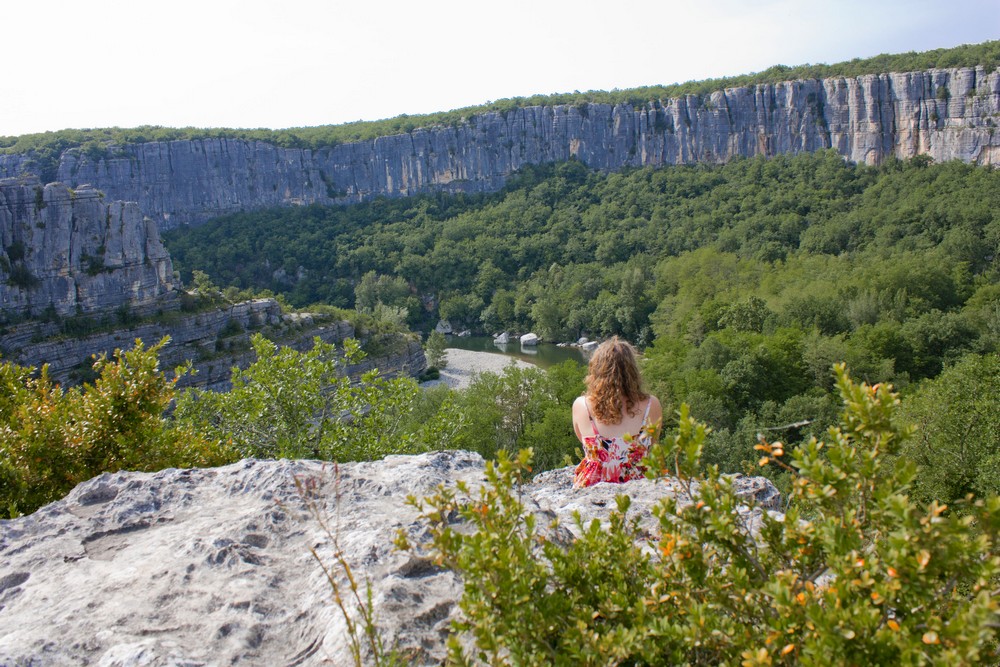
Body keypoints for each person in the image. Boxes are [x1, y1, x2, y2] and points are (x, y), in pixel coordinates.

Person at [572, 337, 662, 488]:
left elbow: (582, 439)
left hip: (591, 488)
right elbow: (652, 443)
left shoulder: (581, 405)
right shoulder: (651, 405)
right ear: (633, 371)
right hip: (638, 486)